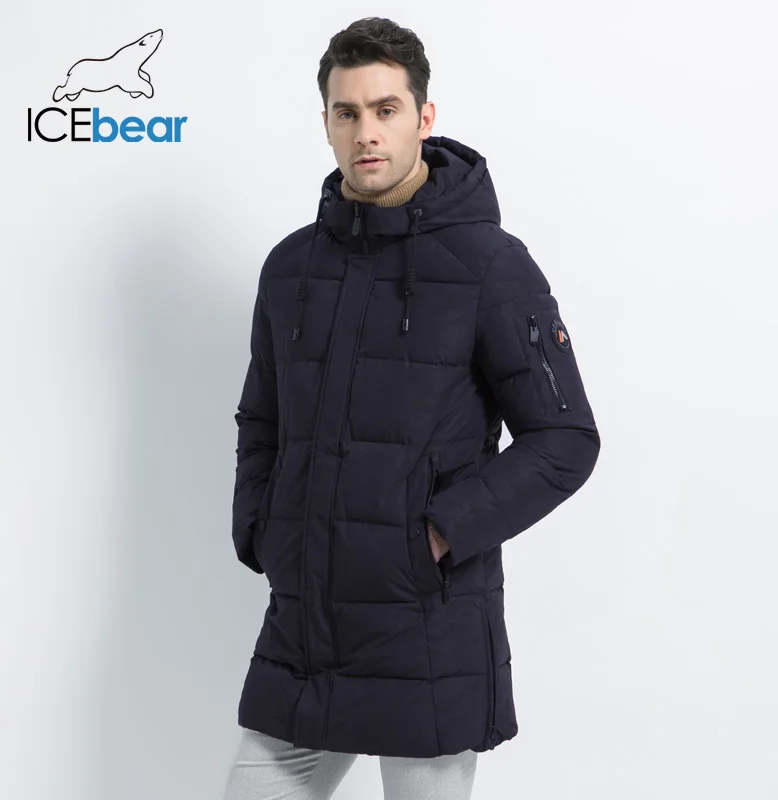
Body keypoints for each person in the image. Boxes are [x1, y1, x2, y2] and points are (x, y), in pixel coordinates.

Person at [224, 16, 601, 800]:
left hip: (428, 628)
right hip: (305, 628)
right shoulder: (291, 268)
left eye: (385, 109)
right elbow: (262, 418)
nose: (366, 131)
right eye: (348, 112)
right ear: (326, 123)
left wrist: (434, 533)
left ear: (424, 118)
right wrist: (263, 528)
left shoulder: (491, 265)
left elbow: (564, 438)